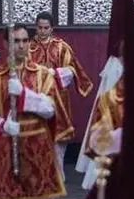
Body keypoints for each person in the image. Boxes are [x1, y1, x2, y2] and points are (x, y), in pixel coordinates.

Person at [0, 24, 69, 199]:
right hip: (5, 147)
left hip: (37, 147)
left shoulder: (42, 75)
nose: (21, 45)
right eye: (15, 41)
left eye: (25, 40)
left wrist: (24, 95)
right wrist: (2, 126)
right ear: (5, 44)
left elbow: (51, 109)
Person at [27, 10, 93, 177]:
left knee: (58, 138)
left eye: (46, 28)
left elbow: (72, 70)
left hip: (58, 99)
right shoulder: (29, 46)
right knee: (36, 137)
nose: (42, 31)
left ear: (52, 28)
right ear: (36, 27)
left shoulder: (61, 46)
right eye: (40, 27)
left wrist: (54, 72)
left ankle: (57, 174)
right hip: (35, 98)